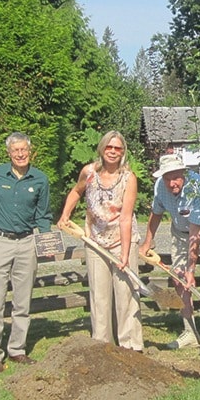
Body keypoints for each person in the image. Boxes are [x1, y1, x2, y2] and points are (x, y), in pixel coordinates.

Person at [57, 131, 143, 350]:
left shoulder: (128, 178)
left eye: (118, 148)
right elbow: (76, 192)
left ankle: (130, 345)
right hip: (95, 240)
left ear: (123, 152)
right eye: (109, 147)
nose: (113, 152)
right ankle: (101, 346)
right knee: (99, 295)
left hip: (122, 240)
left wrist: (124, 254)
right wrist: (65, 214)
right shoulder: (89, 172)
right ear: (102, 149)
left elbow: (125, 217)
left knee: (126, 294)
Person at [138, 154, 200, 356]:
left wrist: (191, 271)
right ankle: (190, 332)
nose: (171, 183)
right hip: (180, 230)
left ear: (184, 173)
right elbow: (156, 213)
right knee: (177, 277)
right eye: (167, 178)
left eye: (176, 177)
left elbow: (197, 233)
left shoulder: (198, 188)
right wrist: (147, 242)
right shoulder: (160, 186)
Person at [0, 132, 52, 374]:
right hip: (1, 241)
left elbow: (43, 215)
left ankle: (17, 350)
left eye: (24, 150)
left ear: (30, 151)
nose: (21, 154)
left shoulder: (40, 179)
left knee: (22, 300)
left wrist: (46, 242)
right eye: (16, 150)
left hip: (27, 243)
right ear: (9, 153)